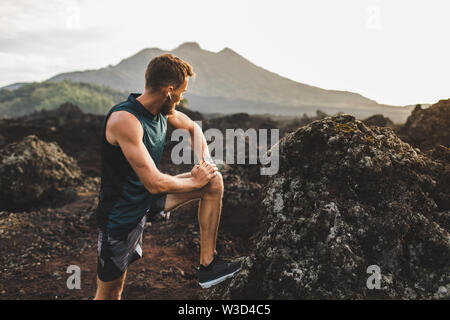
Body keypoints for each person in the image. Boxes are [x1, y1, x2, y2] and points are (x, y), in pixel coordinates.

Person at [93, 53, 241, 300]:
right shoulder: (125, 120)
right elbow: (154, 182)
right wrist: (195, 180)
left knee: (213, 181)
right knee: (110, 293)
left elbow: (194, 129)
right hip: (121, 216)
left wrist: (205, 165)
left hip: (148, 201)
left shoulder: (164, 112)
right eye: (182, 92)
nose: (182, 98)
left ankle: (208, 265)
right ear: (170, 91)